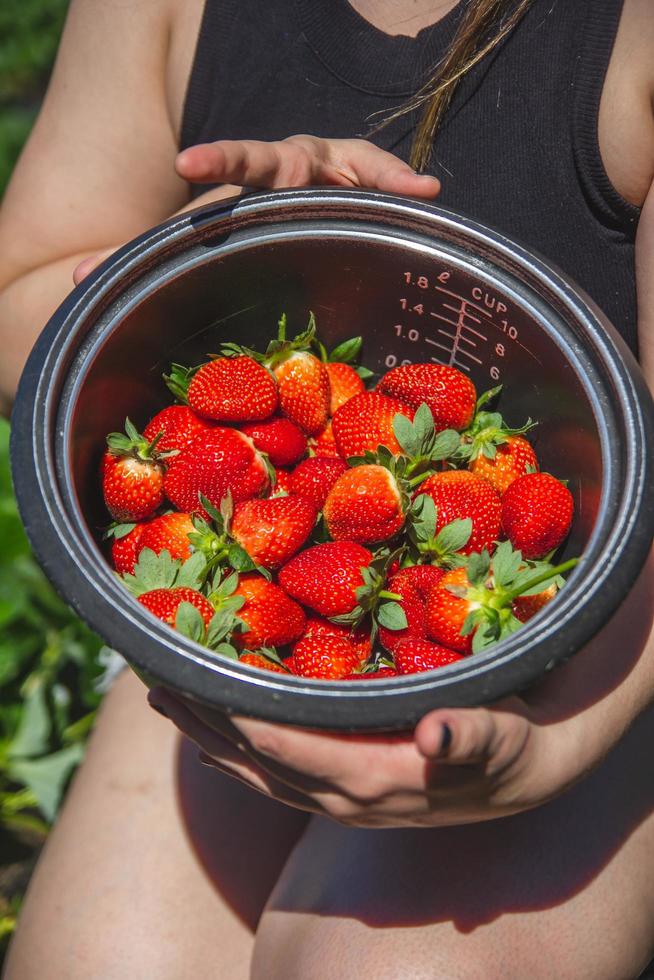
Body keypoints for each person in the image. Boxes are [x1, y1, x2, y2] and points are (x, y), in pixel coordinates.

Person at [2, 0, 654, 976]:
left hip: (609, 643)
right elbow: (22, 302)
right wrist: (168, 268)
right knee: (101, 959)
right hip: (277, 640)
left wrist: (557, 746)